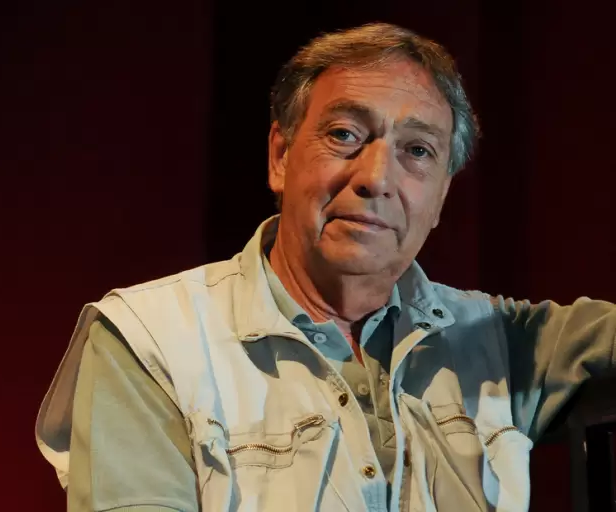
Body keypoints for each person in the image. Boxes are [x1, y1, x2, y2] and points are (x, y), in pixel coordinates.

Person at [35, 23, 616, 511]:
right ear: (280, 156)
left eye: (417, 151)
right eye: (344, 134)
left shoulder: (502, 341)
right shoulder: (151, 340)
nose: (376, 178)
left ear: (441, 196)